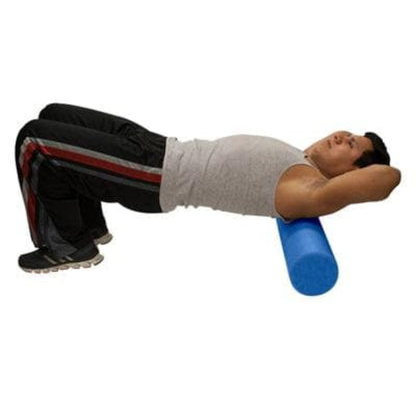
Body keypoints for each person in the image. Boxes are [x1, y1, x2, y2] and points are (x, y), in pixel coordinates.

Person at [15, 103, 401, 273]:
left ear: (351, 173)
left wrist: (353, 177)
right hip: (158, 145)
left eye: (353, 146)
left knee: (35, 143)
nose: (343, 136)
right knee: (54, 115)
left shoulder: (309, 190)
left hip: (156, 175)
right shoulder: (298, 160)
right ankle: (89, 227)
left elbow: (389, 178)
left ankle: (67, 246)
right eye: (349, 133)